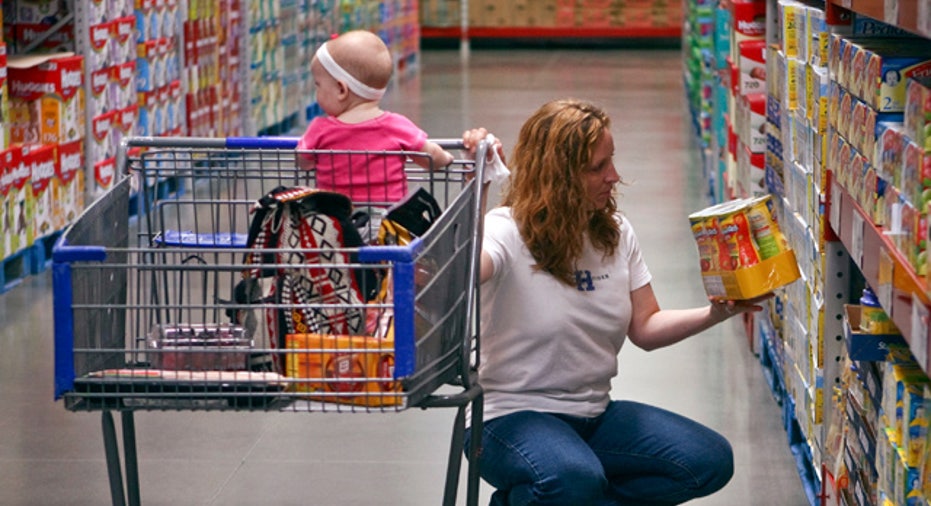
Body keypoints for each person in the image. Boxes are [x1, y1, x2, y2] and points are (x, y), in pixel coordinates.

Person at [461, 98, 769, 506]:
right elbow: (466, 269)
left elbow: (646, 327)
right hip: (507, 418)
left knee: (707, 460)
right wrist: (478, 184)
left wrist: (717, 311)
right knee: (572, 478)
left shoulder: (616, 233)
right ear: (557, 175)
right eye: (597, 167)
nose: (614, 176)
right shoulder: (505, 231)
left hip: (593, 415)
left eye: (612, 161)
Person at [297, 30, 454, 211]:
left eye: (318, 85)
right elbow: (431, 157)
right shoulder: (396, 126)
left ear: (341, 90)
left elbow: (304, 162)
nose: (317, 93)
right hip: (389, 221)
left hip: (336, 220)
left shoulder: (320, 129)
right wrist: (447, 158)